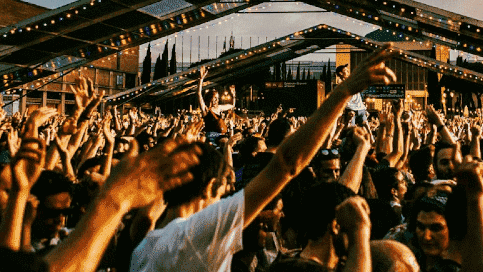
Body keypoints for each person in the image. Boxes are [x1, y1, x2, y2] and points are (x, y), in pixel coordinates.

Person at [130, 47, 396, 272]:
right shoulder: (197, 235)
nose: (226, 194)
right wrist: (344, 92)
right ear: (210, 187)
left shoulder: (144, 246)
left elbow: (143, 220)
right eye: (224, 189)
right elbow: (286, 165)